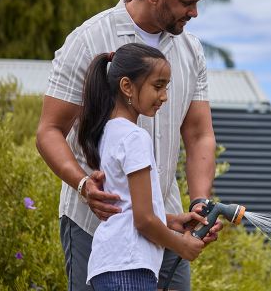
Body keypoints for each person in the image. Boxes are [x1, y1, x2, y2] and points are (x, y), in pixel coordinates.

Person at [36, 0, 221, 291]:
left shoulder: (191, 50)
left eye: (197, 3)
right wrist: (82, 184)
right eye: (186, 2)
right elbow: (49, 131)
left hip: (163, 223)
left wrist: (199, 202)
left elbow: (199, 134)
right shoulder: (89, 38)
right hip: (97, 228)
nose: (194, 13)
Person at [79, 43, 206, 290]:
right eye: (157, 86)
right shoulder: (135, 137)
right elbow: (144, 220)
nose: (164, 96)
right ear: (126, 86)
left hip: (112, 264)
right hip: (129, 266)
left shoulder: (109, 131)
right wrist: (182, 246)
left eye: (166, 87)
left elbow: (127, 206)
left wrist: (172, 220)